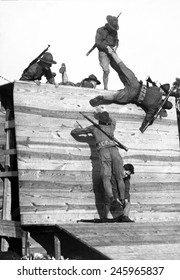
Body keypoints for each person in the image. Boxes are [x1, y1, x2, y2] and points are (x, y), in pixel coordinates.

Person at [89, 47, 173, 132]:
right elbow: (148, 116)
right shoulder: (154, 108)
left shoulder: (157, 91)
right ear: (163, 107)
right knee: (115, 97)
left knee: (123, 67)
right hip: (132, 95)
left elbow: (152, 88)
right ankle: (100, 97)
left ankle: (112, 53)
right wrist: (147, 122)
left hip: (136, 84)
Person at [71, 111, 125, 222]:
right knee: (119, 177)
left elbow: (77, 133)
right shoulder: (111, 127)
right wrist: (102, 113)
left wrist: (75, 129)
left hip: (103, 151)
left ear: (99, 121)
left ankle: (111, 198)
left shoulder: (93, 127)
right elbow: (113, 119)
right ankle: (123, 198)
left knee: (106, 177)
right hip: (115, 151)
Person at [95, 15, 119, 90]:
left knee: (120, 67)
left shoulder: (114, 32)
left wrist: (115, 47)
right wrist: (106, 47)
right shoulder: (100, 30)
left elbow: (116, 40)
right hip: (103, 51)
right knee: (106, 70)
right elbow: (98, 43)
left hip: (112, 51)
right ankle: (105, 88)